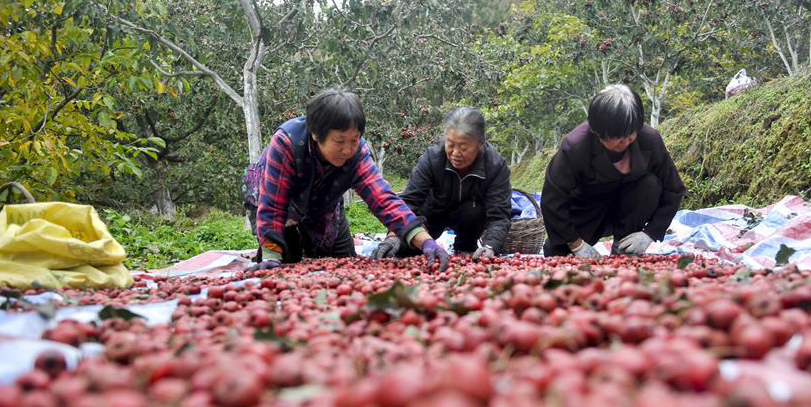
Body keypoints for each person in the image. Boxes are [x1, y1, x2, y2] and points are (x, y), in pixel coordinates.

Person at [242, 88, 449, 272]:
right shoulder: (287, 143)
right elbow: (273, 204)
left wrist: (426, 242)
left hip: (325, 206)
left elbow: (383, 199)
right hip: (278, 203)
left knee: (345, 263)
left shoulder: (357, 153)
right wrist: (271, 256)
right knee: (287, 259)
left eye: (354, 140)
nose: (348, 149)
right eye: (339, 141)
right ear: (316, 134)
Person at [540, 84, 686, 258]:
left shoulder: (649, 140)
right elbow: (553, 200)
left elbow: (673, 189)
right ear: (597, 131)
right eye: (618, 135)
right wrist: (576, 243)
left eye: (632, 132)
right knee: (560, 256)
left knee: (650, 184)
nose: (627, 140)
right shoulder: (575, 147)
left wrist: (650, 233)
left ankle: (623, 248)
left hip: (631, 207)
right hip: (587, 209)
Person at [371, 107, 511, 261]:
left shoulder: (495, 165)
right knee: (404, 249)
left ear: (480, 144)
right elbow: (409, 201)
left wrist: (490, 246)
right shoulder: (432, 158)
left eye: (463, 148)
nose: (455, 153)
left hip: (470, 220)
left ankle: (465, 247)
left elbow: (499, 215)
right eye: (450, 144)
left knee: (472, 212)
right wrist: (393, 237)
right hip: (432, 214)